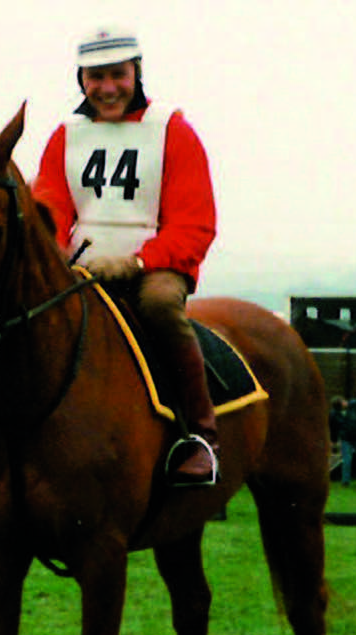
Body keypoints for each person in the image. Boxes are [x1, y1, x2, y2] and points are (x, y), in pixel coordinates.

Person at [32, 26, 220, 487]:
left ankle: (200, 433)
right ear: (81, 80)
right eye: (96, 77)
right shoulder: (65, 135)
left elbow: (195, 223)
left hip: (155, 266)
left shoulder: (172, 129)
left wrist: (135, 261)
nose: (108, 87)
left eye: (117, 74)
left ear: (136, 73)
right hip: (80, 266)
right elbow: (51, 203)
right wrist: (53, 249)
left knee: (157, 307)